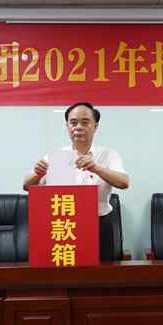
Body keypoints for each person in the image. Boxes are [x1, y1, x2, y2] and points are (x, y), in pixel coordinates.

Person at [23, 102, 129, 261]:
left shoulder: (108, 154)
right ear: (67, 126)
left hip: (98, 225)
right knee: (66, 270)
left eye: (85, 122)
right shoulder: (57, 156)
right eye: (73, 123)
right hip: (64, 224)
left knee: (100, 272)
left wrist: (96, 168)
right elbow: (26, 186)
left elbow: (124, 182)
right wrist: (38, 174)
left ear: (95, 126)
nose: (78, 127)